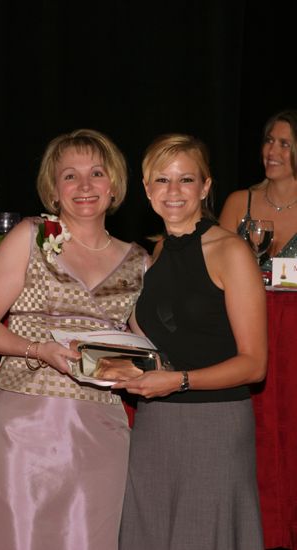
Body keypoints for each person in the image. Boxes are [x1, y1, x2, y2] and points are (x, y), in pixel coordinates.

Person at [0, 128, 149, 550]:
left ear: (114, 186)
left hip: (101, 429)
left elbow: (146, 353)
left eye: (96, 173)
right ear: (53, 190)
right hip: (25, 426)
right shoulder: (30, 236)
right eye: (70, 176)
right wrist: (36, 350)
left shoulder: (140, 261)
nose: (85, 186)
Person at [113, 133, 267, 550]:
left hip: (213, 424)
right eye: (162, 180)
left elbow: (255, 365)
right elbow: (154, 348)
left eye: (186, 179)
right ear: (146, 189)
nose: (174, 191)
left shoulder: (230, 251)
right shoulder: (155, 256)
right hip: (155, 423)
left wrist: (178, 381)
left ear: (206, 186)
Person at [219, 109, 297, 271]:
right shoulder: (238, 203)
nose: (271, 151)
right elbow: (218, 268)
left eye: (284, 144)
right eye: (269, 141)